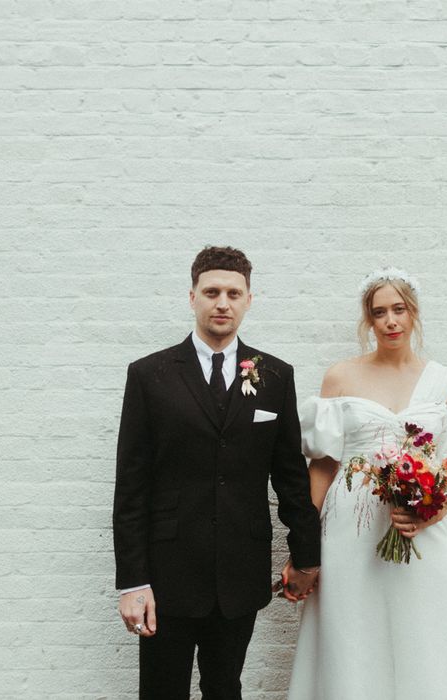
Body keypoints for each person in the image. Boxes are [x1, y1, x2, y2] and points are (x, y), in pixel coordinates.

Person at [113, 246, 321, 700]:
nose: (222, 302)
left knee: (225, 688)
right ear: (192, 298)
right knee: (162, 691)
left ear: (249, 299)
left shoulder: (275, 376)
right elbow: (131, 486)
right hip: (166, 573)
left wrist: (307, 555)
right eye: (211, 292)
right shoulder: (150, 375)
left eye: (233, 292)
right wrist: (133, 581)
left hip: (239, 571)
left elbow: (289, 475)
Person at [287, 267, 447, 700]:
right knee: (353, 630)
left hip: (415, 525)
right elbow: (323, 466)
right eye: (379, 313)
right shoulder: (341, 377)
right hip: (351, 527)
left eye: (398, 309)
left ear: (413, 313)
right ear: (369, 321)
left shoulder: (446, 382)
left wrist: (429, 513)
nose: (390, 321)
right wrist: (303, 549)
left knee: (423, 628)